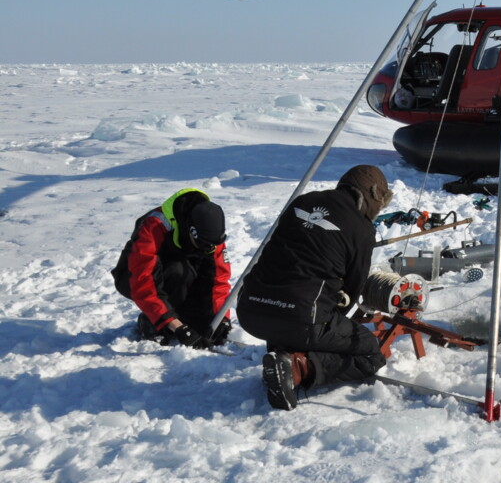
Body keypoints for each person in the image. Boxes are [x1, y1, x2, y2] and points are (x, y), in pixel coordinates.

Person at [236, 164, 394, 411]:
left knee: (296, 314)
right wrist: (326, 330)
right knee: (372, 353)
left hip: (249, 312)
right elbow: (353, 289)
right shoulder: (362, 228)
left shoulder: (303, 201)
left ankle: (285, 351)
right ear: (371, 196)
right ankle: (297, 368)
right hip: (299, 318)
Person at [111, 189, 232, 348]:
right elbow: (143, 281)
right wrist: (173, 324)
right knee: (178, 272)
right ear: (191, 230)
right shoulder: (154, 225)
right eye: (202, 244)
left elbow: (218, 279)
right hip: (133, 276)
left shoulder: (211, 235)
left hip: (182, 273)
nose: (208, 249)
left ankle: (179, 315)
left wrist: (222, 318)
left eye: (212, 246)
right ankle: (152, 320)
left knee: (204, 320)